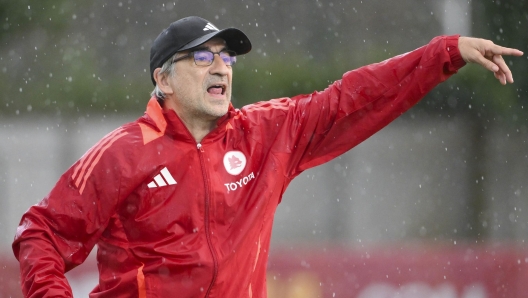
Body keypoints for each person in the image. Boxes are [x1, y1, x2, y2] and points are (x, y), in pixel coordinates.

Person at [12, 16, 523, 298]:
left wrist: (445, 52)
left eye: (227, 55)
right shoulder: (123, 154)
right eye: (203, 56)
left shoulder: (265, 133)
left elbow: (352, 98)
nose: (223, 66)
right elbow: (40, 232)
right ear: (163, 79)